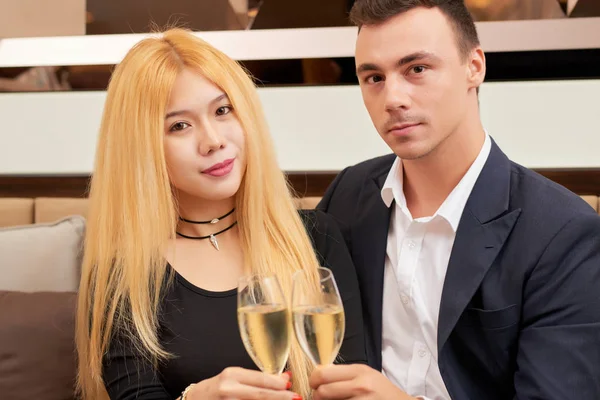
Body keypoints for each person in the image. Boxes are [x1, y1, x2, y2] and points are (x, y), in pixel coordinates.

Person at [312, 1, 600, 399]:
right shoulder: (348, 195)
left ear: (474, 66)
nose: (392, 98)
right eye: (374, 77)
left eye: (416, 69)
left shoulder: (562, 233)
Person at [75, 28, 366, 400]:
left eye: (223, 110)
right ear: (142, 149)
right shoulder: (123, 276)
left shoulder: (316, 237)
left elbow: (354, 385)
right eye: (179, 125)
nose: (213, 140)